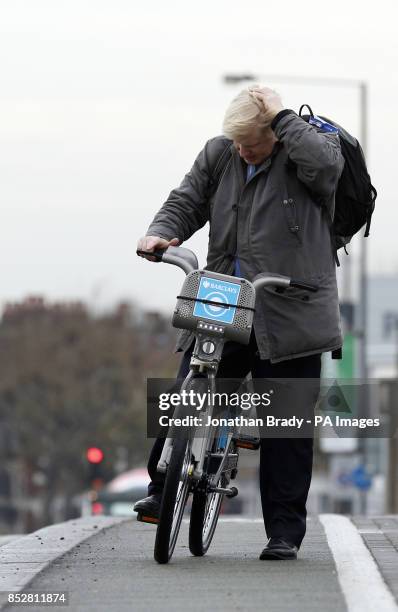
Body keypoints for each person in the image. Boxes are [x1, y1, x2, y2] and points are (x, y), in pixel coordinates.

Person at [135, 85, 344, 560]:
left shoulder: (307, 151)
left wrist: (284, 117)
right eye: (237, 142)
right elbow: (186, 199)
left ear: (275, 132)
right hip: (224, 299)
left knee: (284, 425)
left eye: (252, 142)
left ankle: (284, 532)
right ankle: (164, 482)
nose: (242, 151)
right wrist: (161, 233)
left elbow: (329, 172)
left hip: (291, 305)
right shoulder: (221, 154)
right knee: (189, 382)